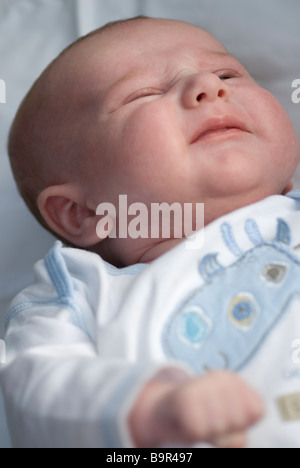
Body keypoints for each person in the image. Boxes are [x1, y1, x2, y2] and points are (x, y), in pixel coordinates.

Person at [2, 16, 300, 448]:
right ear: (82, 212)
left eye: (227, 74)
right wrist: (148, 410)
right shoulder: (78, 293)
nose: (209, 86)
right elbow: (34, 389)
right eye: (142, 94)